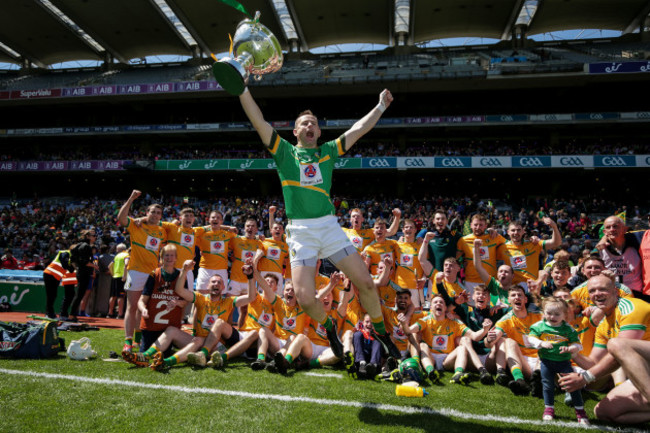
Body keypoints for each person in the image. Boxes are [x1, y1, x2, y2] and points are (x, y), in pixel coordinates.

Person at [238, 86, 400, 359]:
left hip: (328, 227)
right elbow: (258, 120)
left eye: (313, 123)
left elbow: (359, 129)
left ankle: (382, 332)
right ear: (296, 132)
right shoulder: (284, 152)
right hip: (300, 232)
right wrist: (242, 89)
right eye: (304, 123)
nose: (310, 125)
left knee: (368, 284)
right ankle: (328, 326)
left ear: (319, 132)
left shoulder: (328, 151)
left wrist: (381, 106)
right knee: (303, 298)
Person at [558, 274, 650, 424]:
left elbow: (620, 351)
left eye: (603, 289)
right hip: (646, 371)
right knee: (604, 412)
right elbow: (594, 364)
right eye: (593, 291)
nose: (597, 294)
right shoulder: (603, 325)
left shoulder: (631, 307)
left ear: (615, 291)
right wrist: (573, 353)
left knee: (617, 344)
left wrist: (584, 378)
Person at [399, 294, 491, 385]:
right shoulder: (425, 320)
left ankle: (458, 374)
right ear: (431, 307)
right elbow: (409, 331)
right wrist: (404, 324)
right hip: (431, 357)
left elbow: (474, 336)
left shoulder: (454, 322)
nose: (438, 304)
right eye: (435, 302)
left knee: (462, 348)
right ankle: (431, 372)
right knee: (423, 345)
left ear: (445, 308)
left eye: (441, 302)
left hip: (447, 359)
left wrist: (485, 330)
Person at [117, 190, 167, 353]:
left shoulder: (162, 231)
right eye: (153, 212)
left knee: (144, 308)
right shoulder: (137, 225)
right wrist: (131, 198)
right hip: (136, 272)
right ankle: (128, 341)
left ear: (161, 216)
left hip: (153, 273)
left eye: (158, 213)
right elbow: (121, 219)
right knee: (131, 307)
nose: (155, 215)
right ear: (147, 213)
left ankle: (139, 340)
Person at [122, 244, 188, 364]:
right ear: (161, 258)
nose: (169, 258)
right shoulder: (154, 274)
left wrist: (177, 302)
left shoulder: (181, 276)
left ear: (176, 258)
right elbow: (142, 300)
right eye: (166, 255)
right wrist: (143, 310)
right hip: (151, 327)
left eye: (172, 255)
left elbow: (185, 302)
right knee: (146, 353)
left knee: (163, 354)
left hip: (169, 327)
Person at [527, 297, 589, 425]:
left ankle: (580, 411)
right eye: (549, 313)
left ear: (564, 315)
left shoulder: (568, 329)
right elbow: (531, 338)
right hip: (546, 362)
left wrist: (570, 348)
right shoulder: (539, 326)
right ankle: (549, 408)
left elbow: (579, 345)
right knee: (547, 385)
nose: (552, 317)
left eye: (557, 314)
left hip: (564, 363)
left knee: (572, 386)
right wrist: (541, 343)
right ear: (543, 312)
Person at [487, 285, 543, 396]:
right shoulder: (506, 320)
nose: (517, 297)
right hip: (523, 362)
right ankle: (520, 381)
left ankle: (539, 382)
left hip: (540, 361)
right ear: (509, 300)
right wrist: (489, 339)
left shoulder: (539, 316)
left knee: (545, 348)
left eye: (520, 295)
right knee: (508, 341)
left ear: (525, 299)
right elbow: (492, 339)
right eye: (513, 295)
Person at [497, 218, 561, 291]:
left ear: (523, 231)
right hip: (512, 288)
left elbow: (556, 243)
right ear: (508, 232)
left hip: (531, 287)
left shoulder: (534, 244)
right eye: (513, 230)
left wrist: (554, 227)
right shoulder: (503, 247)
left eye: (518, 230)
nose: (516, 233)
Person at [456, 214, 506, 297]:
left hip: (490, 280)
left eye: (481, 225)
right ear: (471, 225)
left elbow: (512, 245)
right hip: (470, 281)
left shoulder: (493, 237)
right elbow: (455, 258)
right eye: (475, 225)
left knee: (492, 308)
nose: (478, 227)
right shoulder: (463, 240)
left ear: (485, 226)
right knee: (471, 308)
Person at [596, 216, 645, 299]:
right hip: (611, 294)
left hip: (636, 294)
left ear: (625, 229)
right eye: (608, 227)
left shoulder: (637, 242)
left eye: (615, 226)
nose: (612, 229)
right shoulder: (600, 249)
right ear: (604, 232)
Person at [195, 210, 236, 292]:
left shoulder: (228, 235)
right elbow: (189, 230)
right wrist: (226, 227)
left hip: (222, 270)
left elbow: (238, 241)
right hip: (205, 269)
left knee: (219, 296)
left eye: (218, 218)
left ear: (221, 221)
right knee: (200, 296)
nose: (215, 219)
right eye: (213, 217)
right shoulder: (202, 234)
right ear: (209, 220)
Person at [418, 210, 462, 274]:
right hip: (433, 275)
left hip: (450, 275)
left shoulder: (454, 235)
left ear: (446, 221)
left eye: (443, 219)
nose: (440, 221)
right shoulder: (428, 235)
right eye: (438, 219)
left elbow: (466, 242)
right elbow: (415, 241)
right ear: (433, 221)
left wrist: (455, 257)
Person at [43, 244, 76, 319]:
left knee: (53, 295)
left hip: (56, 277)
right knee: (51, 295)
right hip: (49, 274)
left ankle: (49, 313)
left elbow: (71, 270)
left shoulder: (71, 258)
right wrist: (72, 264)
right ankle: (49, 313)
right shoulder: (64, 252)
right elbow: (65, 264)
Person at [107, 244, 128, 318]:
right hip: (122, 277)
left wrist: (113, 274)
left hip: (115, 277)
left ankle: (110, 313)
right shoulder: (126, 255)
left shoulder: (116, 256)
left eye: (117, 249)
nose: (116, 250)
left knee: (113, 296)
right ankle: (120, 314)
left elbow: (109, 266)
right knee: (121, 296)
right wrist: (125, 275)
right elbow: (126, 264)